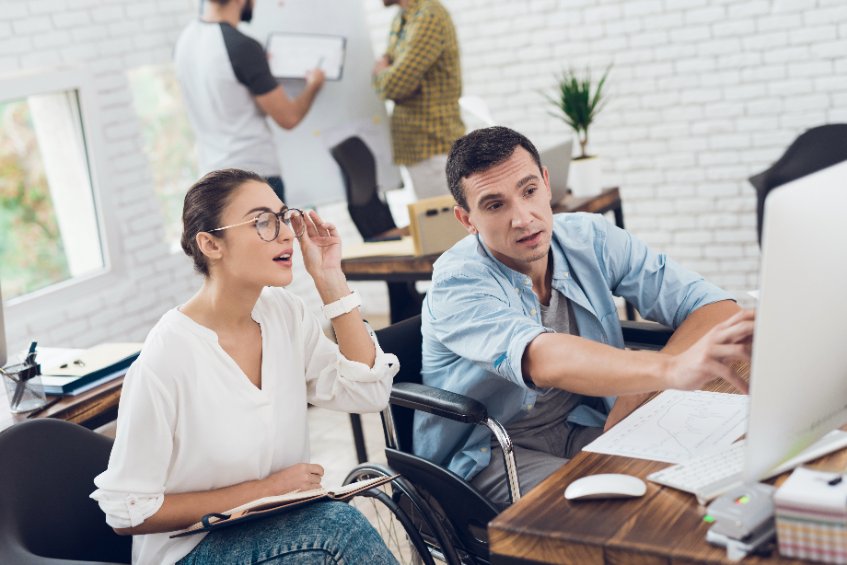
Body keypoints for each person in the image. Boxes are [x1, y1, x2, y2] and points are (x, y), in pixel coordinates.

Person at [416, 126, 755, 509]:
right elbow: (542, 357)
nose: (523, 218)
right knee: (629, 510)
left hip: (580, 423)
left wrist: (640, 389)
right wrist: (669, 369)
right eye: (495, 205)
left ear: (546, 184)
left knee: (695, 481)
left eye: (528, 191)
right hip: (492, 453)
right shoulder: (457, 281)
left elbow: (714, 307)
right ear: (467, 219)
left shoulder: (589, 238)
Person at [91, 169, 400, 564]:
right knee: (337, 530)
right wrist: (268, 488)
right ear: (210, 244)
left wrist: (330, 280)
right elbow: (126, 511)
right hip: (190, 550)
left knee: (332, 528)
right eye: (262, 223)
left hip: (276, 526)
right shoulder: (167, 358)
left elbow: (368, 392)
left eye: (283, 217)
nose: (287, 234)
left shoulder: (284, 314)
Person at [174, 0, 325, 201]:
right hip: (254, 177)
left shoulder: (185, 40)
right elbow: (289, 117)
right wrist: (314, 85)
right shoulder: (242, 47)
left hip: (212, 179)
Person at [373, 0, 464, 200]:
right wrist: (387, 72)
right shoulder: (403, 18)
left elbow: (394, 84)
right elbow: (389, 70)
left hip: (434, 147)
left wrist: (384, 73)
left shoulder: (428, 16)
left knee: (446, 228)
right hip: (417, 149)